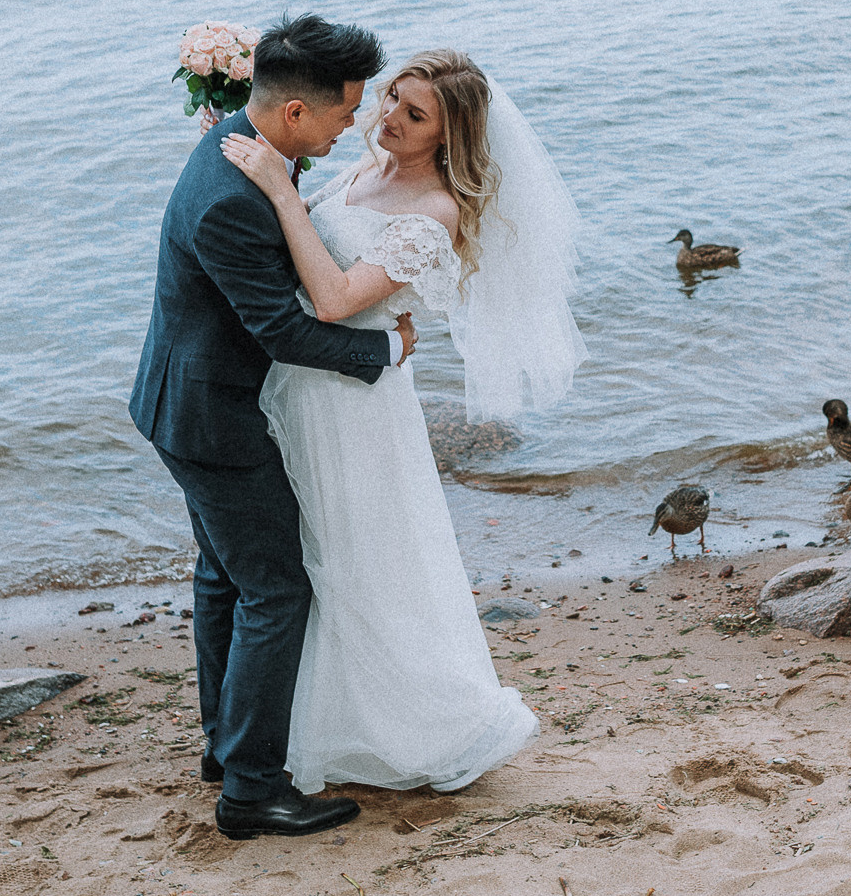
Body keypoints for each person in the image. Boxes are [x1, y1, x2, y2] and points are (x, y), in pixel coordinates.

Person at [220, 48, 585, 796]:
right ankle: (298, 720)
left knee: (357, 560)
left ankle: (405, 726)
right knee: (305, 560)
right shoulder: (364, 170)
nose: (387, 118)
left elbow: (333, 299)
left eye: (413, 116)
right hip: (298, 386)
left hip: (352, 410)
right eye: (391, 99)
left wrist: (279, 192)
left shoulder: (435, 213)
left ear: (447, 138)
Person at [129, 14, 416, 839]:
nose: (351, 126)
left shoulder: (237, 144)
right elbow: (284, 332)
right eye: (342, 112)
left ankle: (228, 745)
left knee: (223, 577)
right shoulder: (232, 201)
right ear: (295, 114)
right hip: (212, 418)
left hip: (178, 401)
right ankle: (252, 791)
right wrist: (385, 350)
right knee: (276, 589)